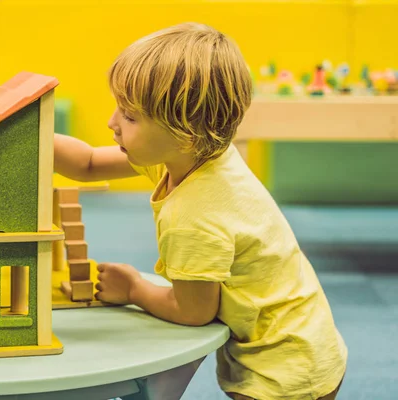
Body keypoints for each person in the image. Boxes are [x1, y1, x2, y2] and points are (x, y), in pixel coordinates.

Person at [53, 23, 347, 400]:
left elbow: (193, 311)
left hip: (281, 375)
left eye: (129, 117)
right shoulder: (197, 154)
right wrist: (31, 135)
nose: (111, 123)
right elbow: (89, 163)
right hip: (309, 343)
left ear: (184, 134)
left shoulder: (194, 214)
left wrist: (133, 289)